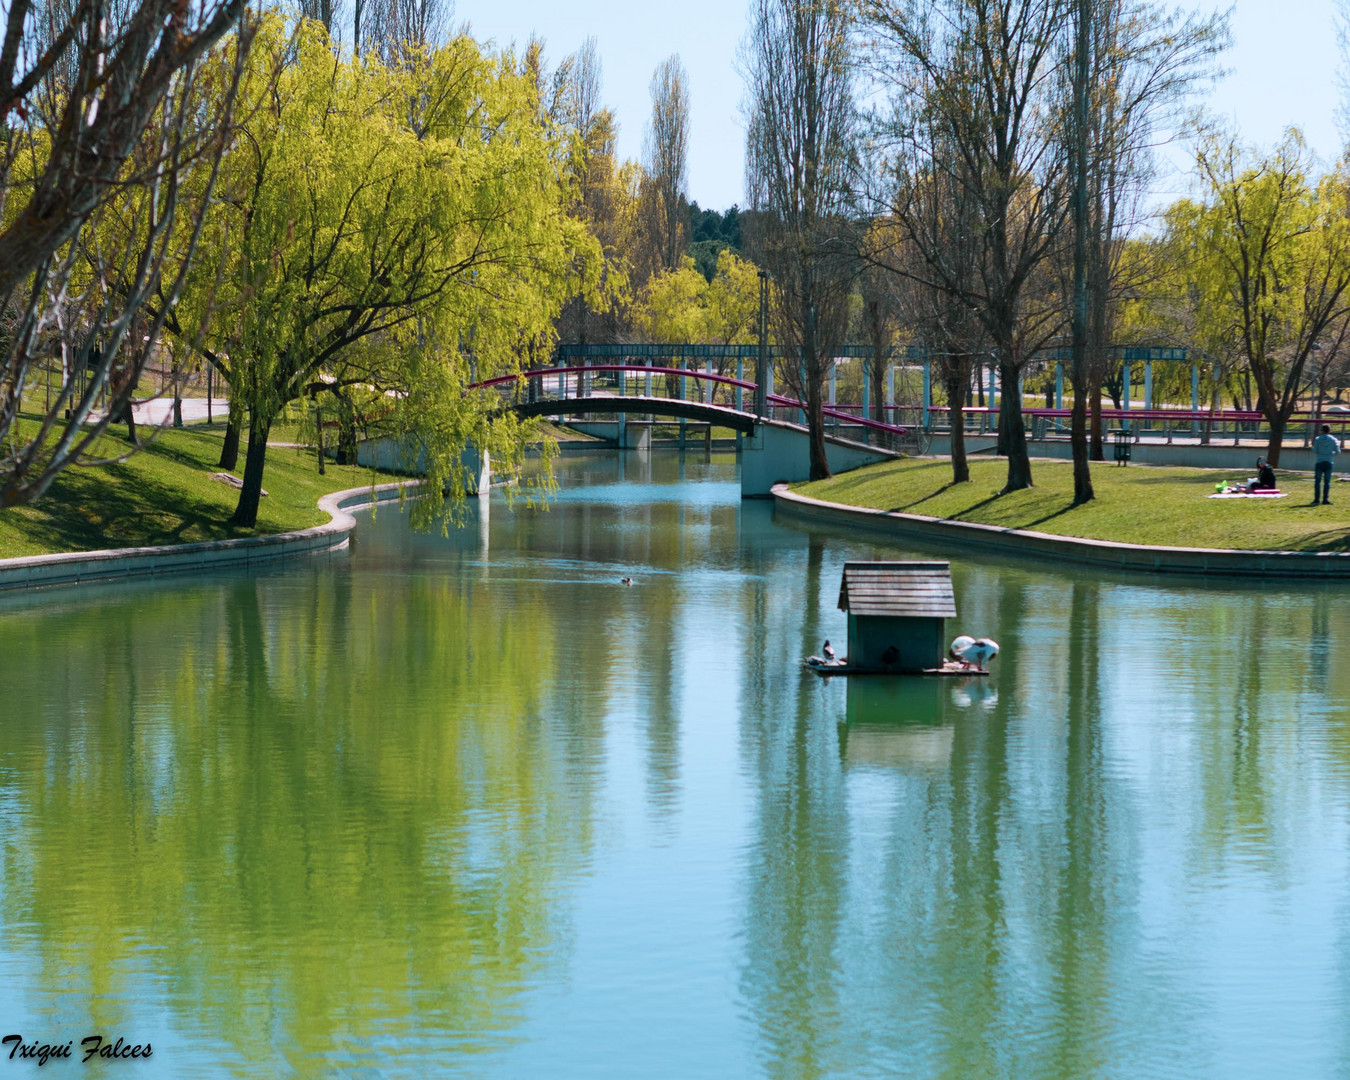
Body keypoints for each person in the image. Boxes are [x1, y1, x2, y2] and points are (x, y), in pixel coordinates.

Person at [1314, 425, 1341, 505]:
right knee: (1327, 482)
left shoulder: (1318, 439)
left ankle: (1316, 499)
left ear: (1322, 430)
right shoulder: (1333, 439)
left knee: (1317, 482)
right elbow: (1338, 451)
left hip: (1319, 461)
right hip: (1329, 461)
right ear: (1329, 430)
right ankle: (1325, 499)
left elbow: (1314, 450)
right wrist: (1330, 453)